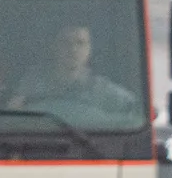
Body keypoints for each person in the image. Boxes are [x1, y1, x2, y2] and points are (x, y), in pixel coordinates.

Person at [8, 24, 137, 118]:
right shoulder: (31, 84)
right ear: (54, 47)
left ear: (89, 49)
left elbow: (135, 114)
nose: (73, 50)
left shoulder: (105, 91)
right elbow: (12, 118)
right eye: (66, 42)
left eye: (80, 43)